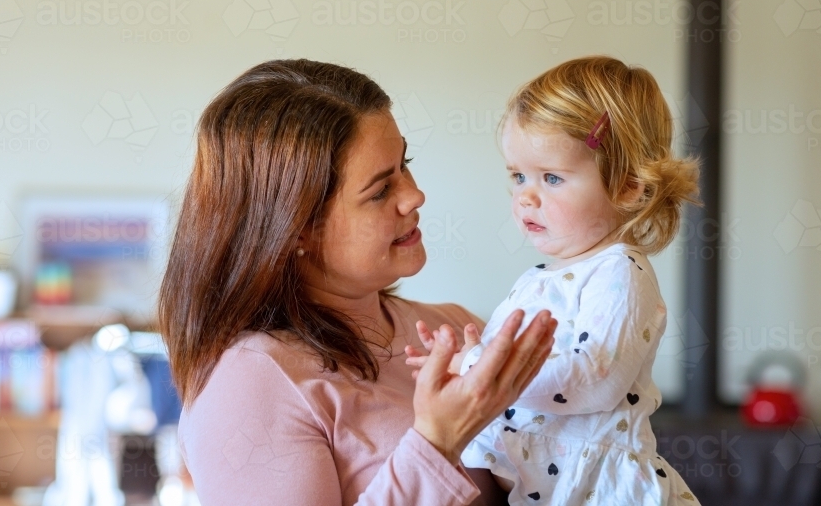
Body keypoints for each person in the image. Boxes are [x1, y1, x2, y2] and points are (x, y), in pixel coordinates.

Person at [158, 59, 557, 505]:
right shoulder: (251, 383)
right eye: (380, 190)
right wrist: (437, 442)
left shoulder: (456, 327)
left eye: (404, 163)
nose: (414, 195)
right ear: (297, 230)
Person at [406, 56, 701, 505]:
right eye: (519, 175)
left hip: (600, 490)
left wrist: (481, 366)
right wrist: (458, 370)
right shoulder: (537, 279)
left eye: (551, 178)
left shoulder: (620, 273)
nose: (525, 195)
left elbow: (591, 380)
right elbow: (514, 398)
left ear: (625, 186)